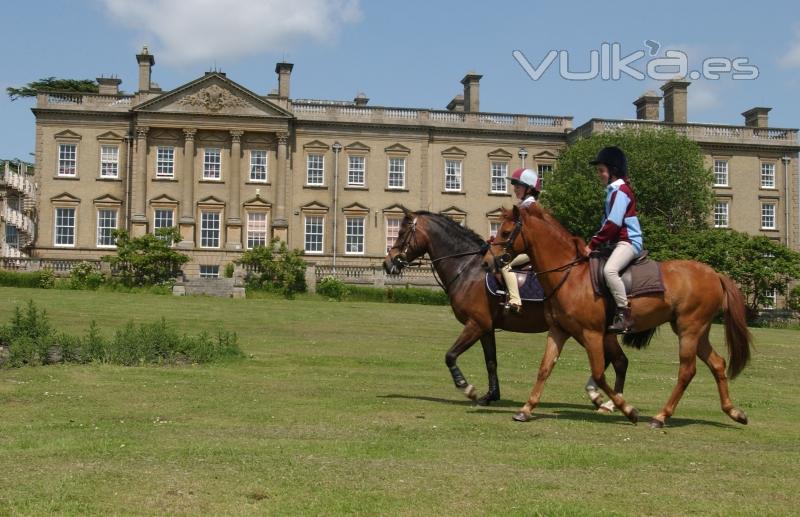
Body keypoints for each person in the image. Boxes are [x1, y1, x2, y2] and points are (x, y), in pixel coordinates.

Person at [584, 146, 643, 333]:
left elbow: (613, 224)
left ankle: (625, 315)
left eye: (601, 170)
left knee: (610, 270)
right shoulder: (612, 191)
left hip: (629, 241)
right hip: (616, 242)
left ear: (613, 171)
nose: (599, 174)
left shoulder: (621, 191)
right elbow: (605, 225)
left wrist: (592, 243)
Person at [501, 167, 541, 313]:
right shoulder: (523, 205)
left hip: (529, 252)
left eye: (518, 186)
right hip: (523, 249)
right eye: (514, 186)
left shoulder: (530, 207)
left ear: (529, 189)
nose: (515, 189)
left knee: (504, 264)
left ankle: (515, 300)